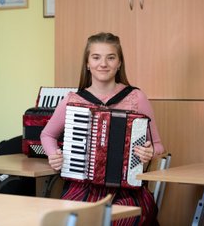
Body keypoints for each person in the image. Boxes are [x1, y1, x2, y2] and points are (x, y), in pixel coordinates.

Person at [40, 32, 164, 225]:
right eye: (96, 57)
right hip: (83, 187)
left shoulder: (136, 97)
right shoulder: (73, 100)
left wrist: (148, 152)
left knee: (123, 220)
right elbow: (47, 134)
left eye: (111, 57)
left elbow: (158, 146)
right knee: (70, 219)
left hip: (128, 190)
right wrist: (53, 154)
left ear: (119, 63)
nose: (103, 64)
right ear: (87, 64)